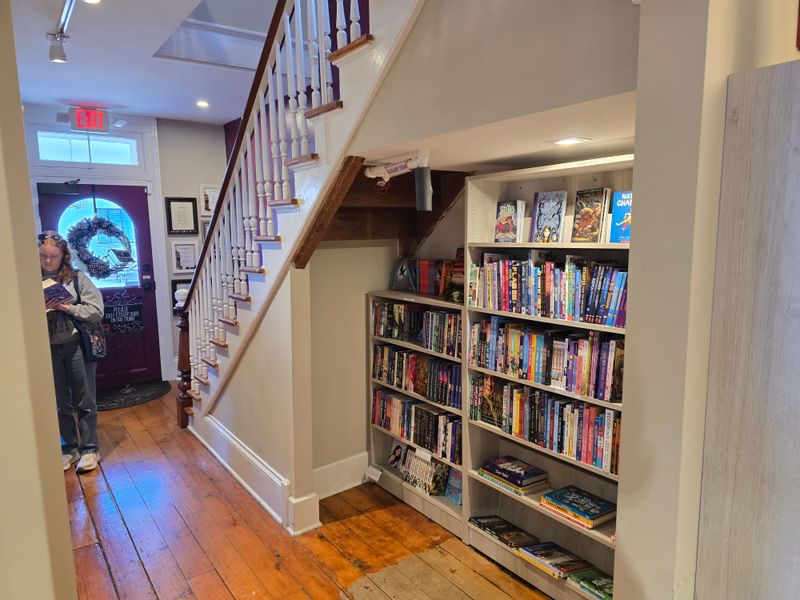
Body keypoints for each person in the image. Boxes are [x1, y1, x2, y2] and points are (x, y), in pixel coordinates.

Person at [39, 231, 104, 473]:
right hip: (46, 347)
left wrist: (66, 308)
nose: (47, 261)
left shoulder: (77, 278)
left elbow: (96, 310)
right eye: (43, 256)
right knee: (58, 402)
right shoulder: (27, 280)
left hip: (76, 344)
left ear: (63, 256)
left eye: (53, 256)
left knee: (84, 399)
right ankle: (69, 448)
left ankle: (89, 449)